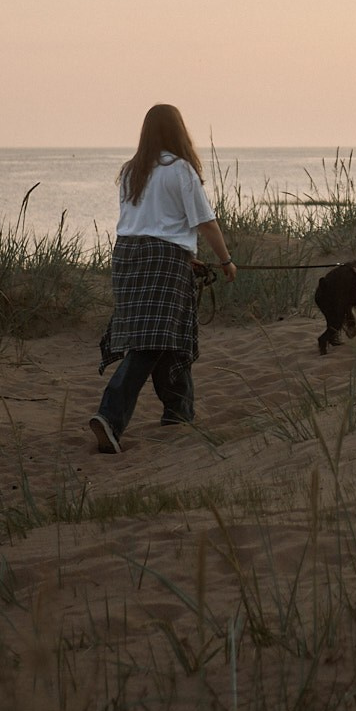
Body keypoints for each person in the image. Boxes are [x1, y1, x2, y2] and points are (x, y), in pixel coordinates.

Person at [88, 103, 236, 454]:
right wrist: (226, 260)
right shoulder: (180, 169)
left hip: (128, 256)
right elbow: (205, 221)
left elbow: (145, 222)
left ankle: (179, 413)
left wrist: (188, 257)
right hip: (162, 258)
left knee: (168, 333)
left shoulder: (131, 170)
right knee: (151, 341)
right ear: (178, 131)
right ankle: (110, 416)